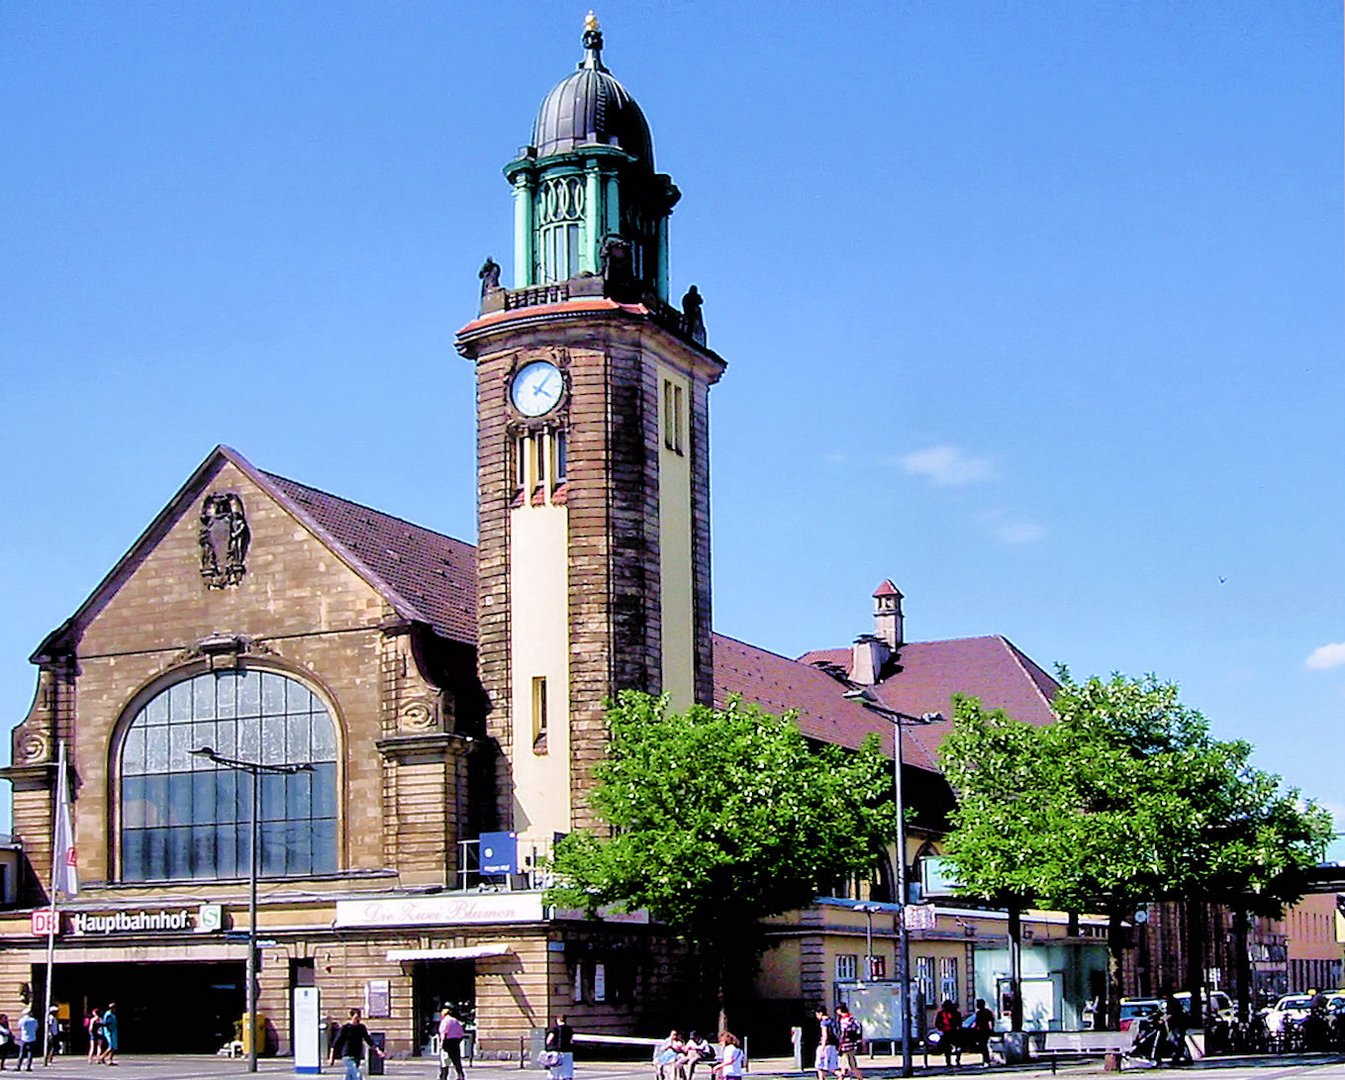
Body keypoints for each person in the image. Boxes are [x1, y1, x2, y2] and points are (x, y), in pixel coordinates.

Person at [328, 1008, 384, 1080]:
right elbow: (336, 1043)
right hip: (347, 1055)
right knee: (356, 1074)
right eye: (356, 1018)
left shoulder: (361, 1028)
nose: (358, 1020)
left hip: (357, 1055)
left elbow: (368, 1040)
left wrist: (378, 1050)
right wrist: (331, 1057)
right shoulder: (345, 1028)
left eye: (359, 1018)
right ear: (351, 1017)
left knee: (350, 1074)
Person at [1156, 995, 1189, 1066]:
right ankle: (1179, 1057)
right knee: (1178, 1041)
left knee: (1176, 1041)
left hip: (1177, 1026)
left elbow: (1172, 1013)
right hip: (1177, 1026)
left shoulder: (1172, 1002)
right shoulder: (1172, 1002)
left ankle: (1179, 1057)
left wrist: (1164, 1019)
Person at [835, 1004, 863, 1080]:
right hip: (852, 1044)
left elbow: (844, 1033)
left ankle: (859, 1078)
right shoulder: (852, 1018)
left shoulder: (844, 1020)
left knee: (845, 1065)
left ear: (840, 1010)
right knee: (851, 1065)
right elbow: (858, 1028)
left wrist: (840, 1045)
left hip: (845, 1045)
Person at [438, 1007, 466, 1080]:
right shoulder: (456, 1021)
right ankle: (461, 1076)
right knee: (456, 1060)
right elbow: (461, 1034)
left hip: (447, 1042)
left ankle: (444, 1076)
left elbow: (443, 1032)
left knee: (445, 1060)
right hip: (455, 1042)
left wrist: (441, 1043)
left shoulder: (445, 1021)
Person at [933, 1000, 963, 1068]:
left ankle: (949, 1062)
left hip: (947, 1032)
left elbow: (937, 1024)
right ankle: (957, 1061)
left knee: (947, 1048)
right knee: (957, 1047)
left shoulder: (941, 1013)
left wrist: (941, 1028)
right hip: (953, 1032)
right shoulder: (956, 1013)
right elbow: (960, 1023)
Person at [545, 1015, 574, 1080]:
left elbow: (549, 1040)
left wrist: (548, 1046)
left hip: (556, 1051)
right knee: (567, 1069)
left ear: (557, 1020)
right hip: (567, 1051)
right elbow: (571, 1040)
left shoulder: (555, 1029)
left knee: (555, 1069)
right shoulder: (569, 1029)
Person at [813, 1008, 839, 1080]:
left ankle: (822, 1079)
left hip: (826, 1045)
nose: (817, 1016)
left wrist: (822, 1048)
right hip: (833, 1046)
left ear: (820, 1013)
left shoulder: (824, 1022)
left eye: (817, 1014)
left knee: (820, 1066)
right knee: (832, 1067)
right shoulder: (832, 1021)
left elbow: (825, 1035)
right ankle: (840, 1074)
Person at [968, 999, 995, 1066]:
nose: (976, 1005)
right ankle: (987, 1060)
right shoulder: (988, 1012)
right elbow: (991, 1021)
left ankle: (986, 1060)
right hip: (985, 1031)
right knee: (985, 1046)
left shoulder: (980, 1013)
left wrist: (974, 1029)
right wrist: (991, 1029)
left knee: (984, 1046)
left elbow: (978, 1023)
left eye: (977, 1004)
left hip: (982, 1031)